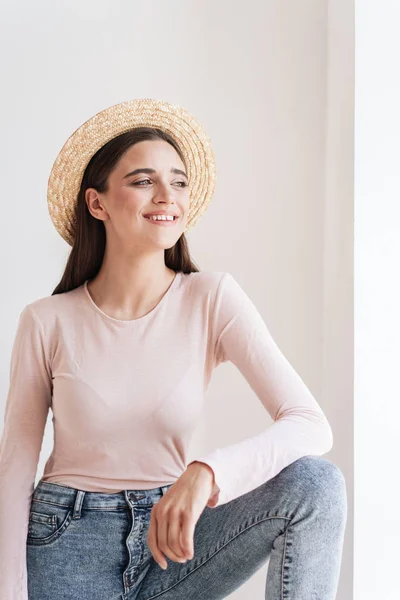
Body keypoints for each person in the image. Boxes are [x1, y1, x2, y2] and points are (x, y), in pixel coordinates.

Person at [0, 98, 347, 600]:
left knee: (316, 485)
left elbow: (310, 423)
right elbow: (14, 469)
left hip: (173, 544)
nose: (167, 195)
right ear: (97, 203)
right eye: (143, 180)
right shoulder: (46, 321)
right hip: (67, 544)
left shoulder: (212, 298)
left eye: (179, 181)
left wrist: (207, 473)